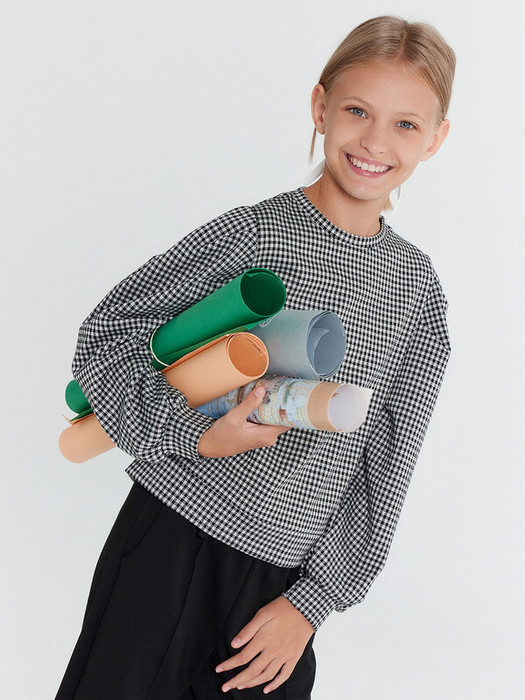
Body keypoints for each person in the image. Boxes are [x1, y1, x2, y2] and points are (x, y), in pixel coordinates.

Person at [55, 15, 456, 700]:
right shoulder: (256, 233)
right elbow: (107, 335)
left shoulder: (418, 294)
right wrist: (194, 434)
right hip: (168, 541)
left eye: (405, 124)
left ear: (436, 138)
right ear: (320, 106)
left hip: (282, 591)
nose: (374, 141)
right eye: (357, 111)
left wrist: (312, 603)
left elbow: (386, 461)